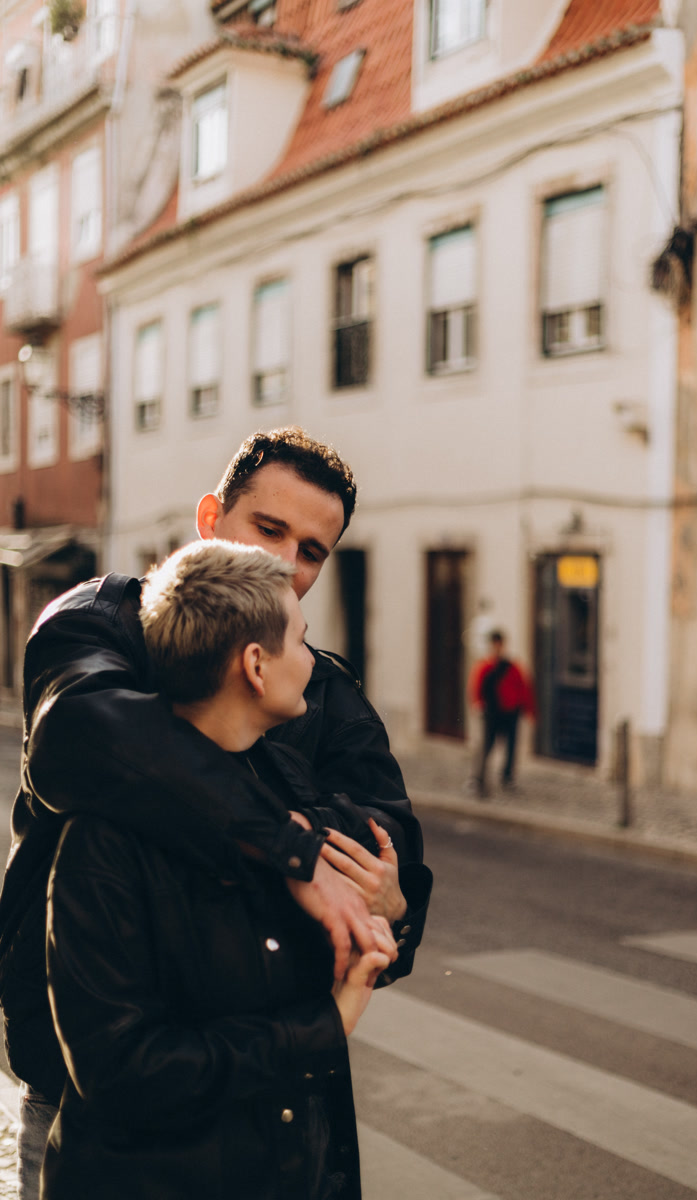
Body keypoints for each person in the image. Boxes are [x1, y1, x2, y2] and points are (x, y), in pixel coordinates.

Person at [0, 426, 432, 1200]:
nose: (285, 564)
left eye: (311, 550)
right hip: (87, 1096)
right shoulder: (102, 624)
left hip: (281, 1108)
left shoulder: (321, 690)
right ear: (211, 518)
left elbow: (390, 857)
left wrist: (389, 905)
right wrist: (292, 849)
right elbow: (80, 737)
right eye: (268, 529)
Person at [469, 629, 537, 796]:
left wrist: (530, 710)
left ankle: (507, 778)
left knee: (511, 747)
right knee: (486, 746)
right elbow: (476, 688)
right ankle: (478, 779)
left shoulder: (512, 666)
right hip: (492, 713)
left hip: (510, 712)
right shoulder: (484, 667)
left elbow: (523, 688)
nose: (497, 647)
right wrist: (478, 704)